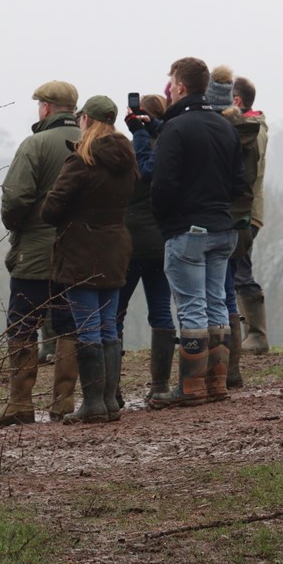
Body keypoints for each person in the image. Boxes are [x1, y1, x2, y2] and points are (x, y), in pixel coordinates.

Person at [147, 57, 244, 408]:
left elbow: (163, 184)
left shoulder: (175, 129)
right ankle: (216, 382)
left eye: (171, 83)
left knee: (191, 307)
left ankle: (191, 387)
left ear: (180, 87)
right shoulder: (226, 127)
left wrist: (165, 220)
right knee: (217, 303)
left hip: (187, 230)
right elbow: (239, 184)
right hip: (223, 229)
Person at [0, 82, 81, 427]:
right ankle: (64, 401)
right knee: (69, 324)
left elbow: (15, 198)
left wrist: (18, 227)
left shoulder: (35, 144)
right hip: (77, 252)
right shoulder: (90, 142)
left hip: (35, 252)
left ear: (46, 107)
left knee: (23, 322)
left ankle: (20, 403)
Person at [42, 96, 138, 423]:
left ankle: (93, 404)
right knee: (108, 326)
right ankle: (108, 401)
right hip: (116, 249)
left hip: (81, 252)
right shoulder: (127, 159)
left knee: (87, 328)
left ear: (85, 119)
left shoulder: (81, 159)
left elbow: (51, 209)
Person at [118, 94, 176, 399]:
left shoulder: (130, 151)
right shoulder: (171, 149)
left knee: (116, 312)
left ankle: (111, 389)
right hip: (162, 241)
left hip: (130, 242)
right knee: (161, 310)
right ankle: (160, 385)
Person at [209, 66, 262, 388]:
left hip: (215, 220)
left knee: (212, 294)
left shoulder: (216, 134)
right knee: (228, 292)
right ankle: (231, 370)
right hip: (238, 219)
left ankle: (211, 372)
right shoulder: (248, 133)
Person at [231, 75, 270, 359]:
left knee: (241, 270)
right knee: (238, 269)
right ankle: (251, 333)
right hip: (247, 209)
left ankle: (256, 334)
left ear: (236, 101)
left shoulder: (253, 129)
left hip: (246, 211)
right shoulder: (254, 126)